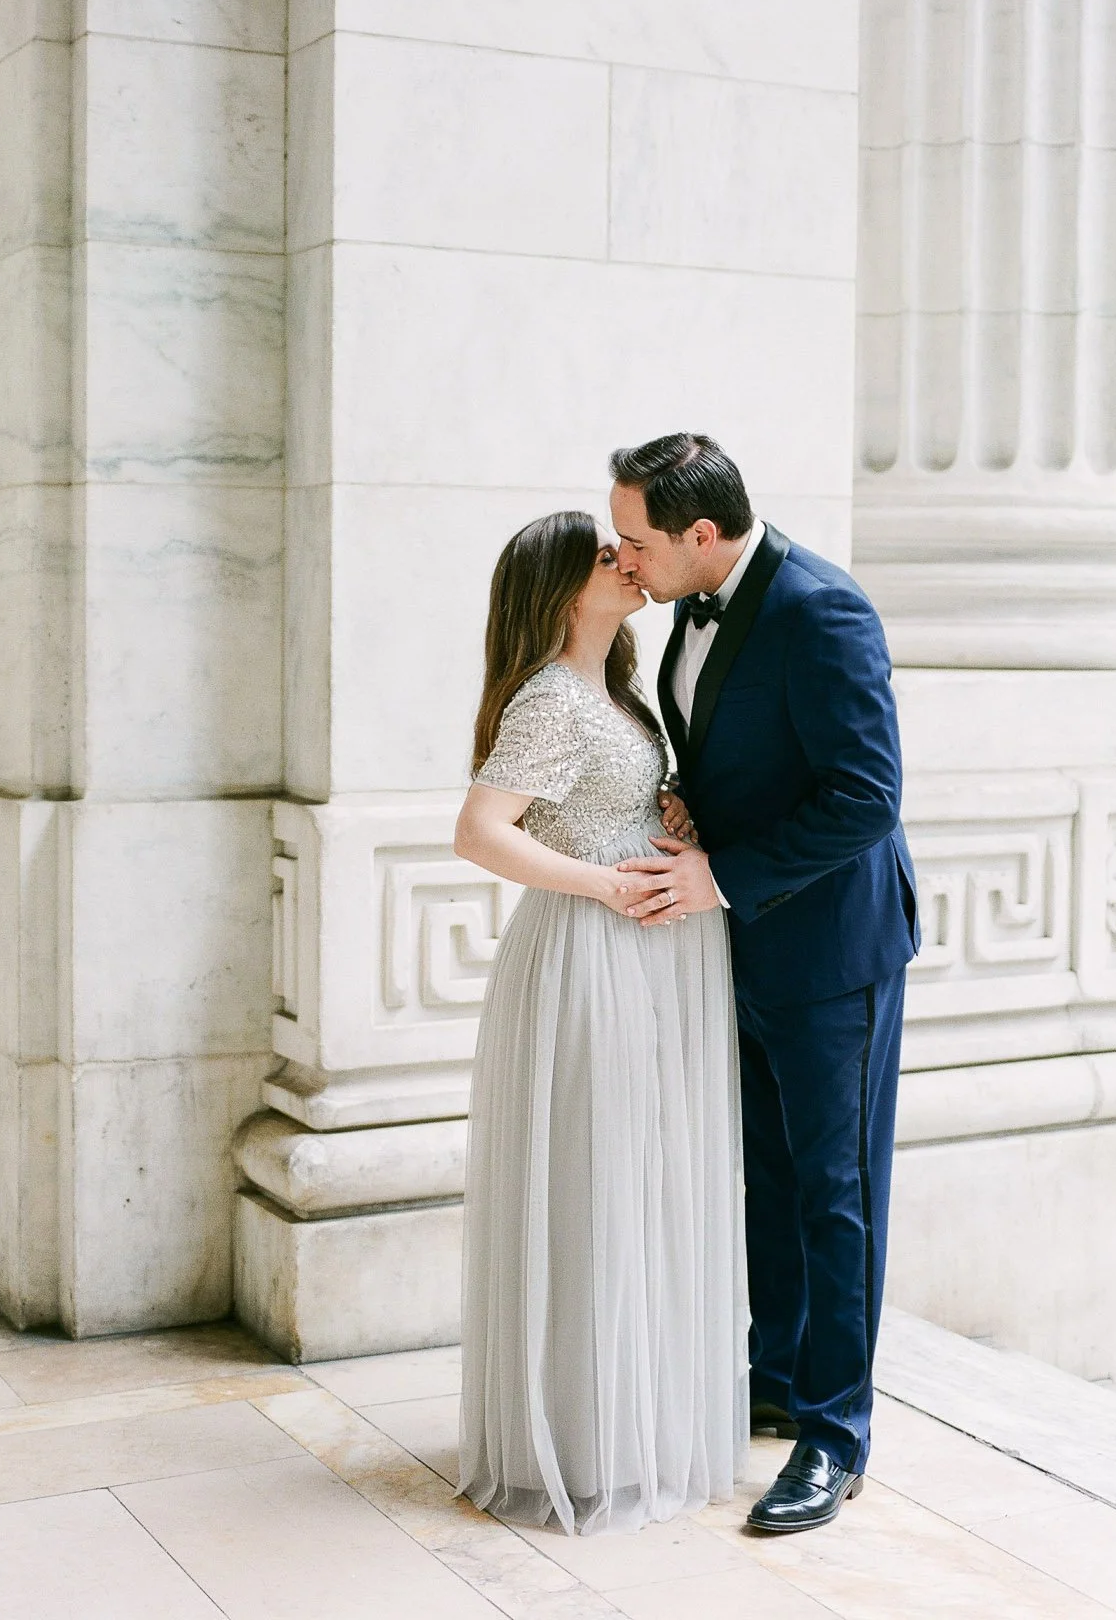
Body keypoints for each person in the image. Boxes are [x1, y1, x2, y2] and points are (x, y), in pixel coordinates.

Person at [609, 434, 919, 1535]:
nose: (622, 556)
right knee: (769, 1178)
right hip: (738, 943)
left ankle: (835, 1436)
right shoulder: (685, 613)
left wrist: (721, 875)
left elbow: (865, 799)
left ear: (702, 536)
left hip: (833, 951)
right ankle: (779, 1378)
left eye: (638, 540)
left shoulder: (821, 611)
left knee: (835, 1193)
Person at [453, 510, 747, 1536]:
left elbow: (600, 805)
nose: (625, 563)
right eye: (603, 556)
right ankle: (581, 1438)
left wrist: (666, 817)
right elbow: (480, 832)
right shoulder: (548, 700)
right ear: (560, 589)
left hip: (649, 960)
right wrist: (606, 887)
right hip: (594, 957)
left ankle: (632, 1420)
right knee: (595, 1182)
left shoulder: (618, 693)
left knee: (639, 1184)